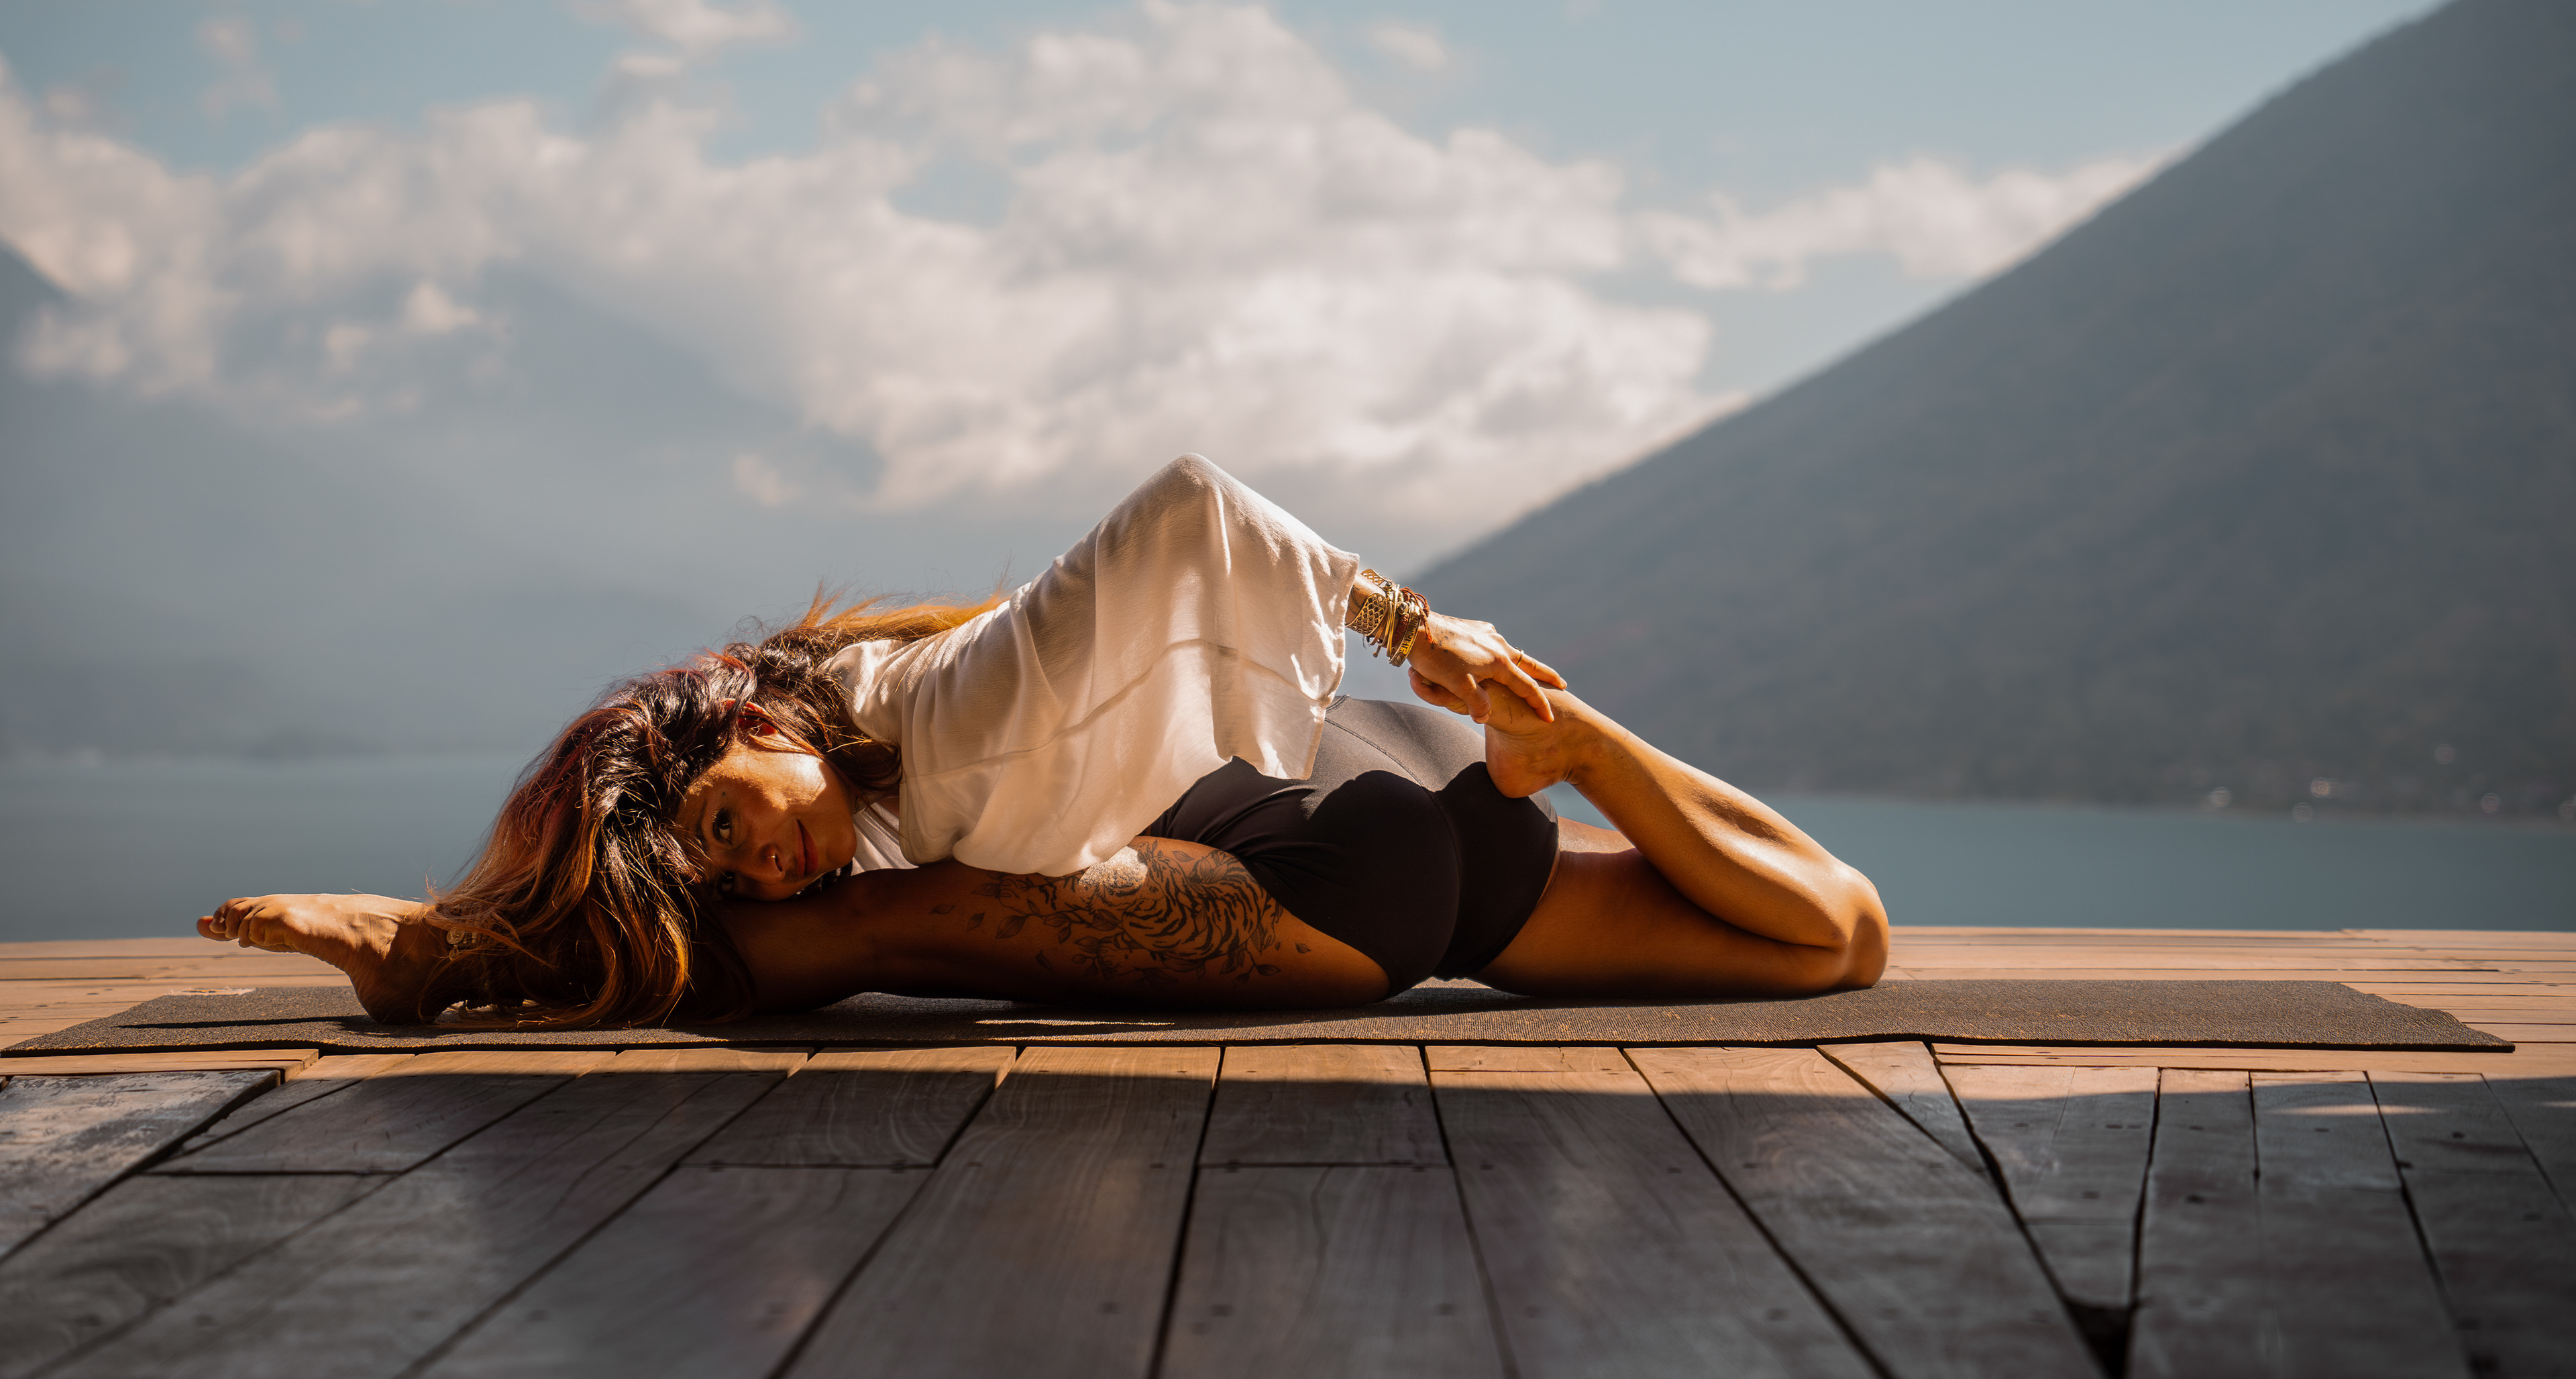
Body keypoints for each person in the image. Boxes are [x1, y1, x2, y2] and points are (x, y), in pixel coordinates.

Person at [200, 456, 1888, 1025]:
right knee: (881, 903)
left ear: (769, 720)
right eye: (721, 848)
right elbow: (1833, 927)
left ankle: (441, 957)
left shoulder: (936, 707)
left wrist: (1551, 719)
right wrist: (1568, 747)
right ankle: (449, 954)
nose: (754, 842)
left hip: (1414, 853)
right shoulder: (913, 739)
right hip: (1415, 844)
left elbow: (1844, 936)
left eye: (728, 807)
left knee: (883, 913)